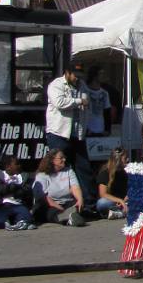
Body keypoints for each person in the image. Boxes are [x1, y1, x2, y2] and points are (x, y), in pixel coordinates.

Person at [46, 67, 96, 208]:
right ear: (67, 73)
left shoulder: (83, 86)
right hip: (59, 133)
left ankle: (88, 204)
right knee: (56, 167)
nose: (77, 78)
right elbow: (60, 103)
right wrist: (79, 101)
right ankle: (53, 203)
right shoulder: (56, 85)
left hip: (77, 134)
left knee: (83, 168)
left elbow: (88, 102)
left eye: (80, 75)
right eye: (74, 75)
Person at [32, 150, 86, 226]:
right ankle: (68, 217)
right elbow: (44, 197)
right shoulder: (42, 175)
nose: (64, 159)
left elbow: (75, 187)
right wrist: (60, 208)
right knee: (51, 212)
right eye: (61, 158)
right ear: (52, 160)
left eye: (64, 157)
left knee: (78, 205)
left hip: (66, 203)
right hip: (50, 205)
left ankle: (69, 217)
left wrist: (80, 200)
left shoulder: (69, 171)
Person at [0, 155, 36, 230]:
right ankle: (5, 223)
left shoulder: (24, 176)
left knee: (27, 218)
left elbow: (27, 190)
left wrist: (17, 188)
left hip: (18, 204)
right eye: (16, 164)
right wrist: (10, 187)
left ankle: (20, 223)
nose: (19, 166)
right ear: (8, 166)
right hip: (1, 205)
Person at [95, 148, 128, 220]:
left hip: (124, 200)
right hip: (112, 201)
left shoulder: (126, 171)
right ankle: (120, 212)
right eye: (125, 158)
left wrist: (126, 197)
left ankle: (119, 213)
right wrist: (119, 200)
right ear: (118, 160)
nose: (127, 160)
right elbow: (103, 194)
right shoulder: (105, 172)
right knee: (102, 203)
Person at [83, 66, 113, 137]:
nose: (103, 76)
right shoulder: (85, 92)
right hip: (88, 131)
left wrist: (108, 129)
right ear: (94, 76)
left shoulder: (105, 93)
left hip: (101, 130)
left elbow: (107, 112)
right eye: (101, 74)